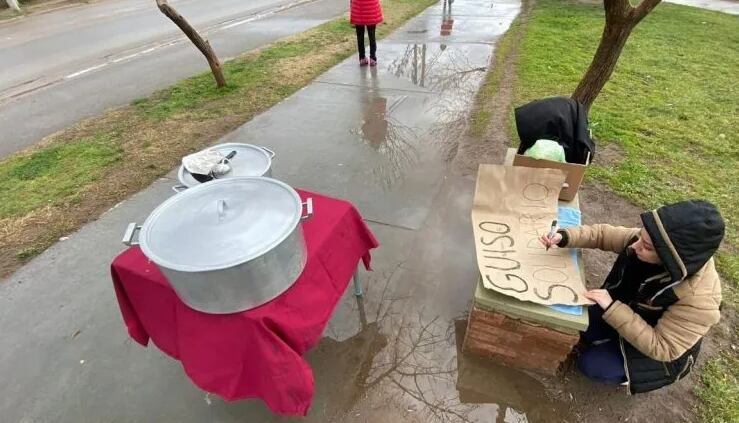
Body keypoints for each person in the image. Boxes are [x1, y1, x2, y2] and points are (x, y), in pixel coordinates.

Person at [540, 200, 724, 394]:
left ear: (670, 258)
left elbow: (663, 348)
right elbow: (603, 235)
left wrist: (612, 309)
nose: (635, 245)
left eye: (645, 246)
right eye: (641, 237)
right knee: (578, 319)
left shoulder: (700, 300)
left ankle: (626, 373)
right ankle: (608, 339)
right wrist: (565, 236)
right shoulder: (655, 241)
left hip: (654, 353)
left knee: (592, 365)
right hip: (630, 311)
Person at [350, 0, 383, 66]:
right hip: (371, 8)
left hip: (358, 8)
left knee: (360, 36)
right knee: (372, 34)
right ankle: (373, 58)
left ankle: (362, 58)